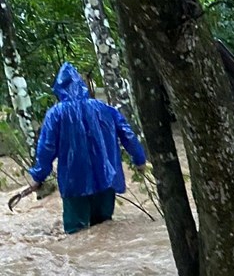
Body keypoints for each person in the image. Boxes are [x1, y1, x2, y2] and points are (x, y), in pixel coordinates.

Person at [9, 62, 147, 234]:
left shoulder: (56, 114)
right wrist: (140, 160)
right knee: (105, 230)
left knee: (77, 234)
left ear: (59, 89)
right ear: (82, 86)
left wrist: (38, 176)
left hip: (74, 183)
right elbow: (128, 135)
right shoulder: (104, 109)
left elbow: (46, 148)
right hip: (106, 178)